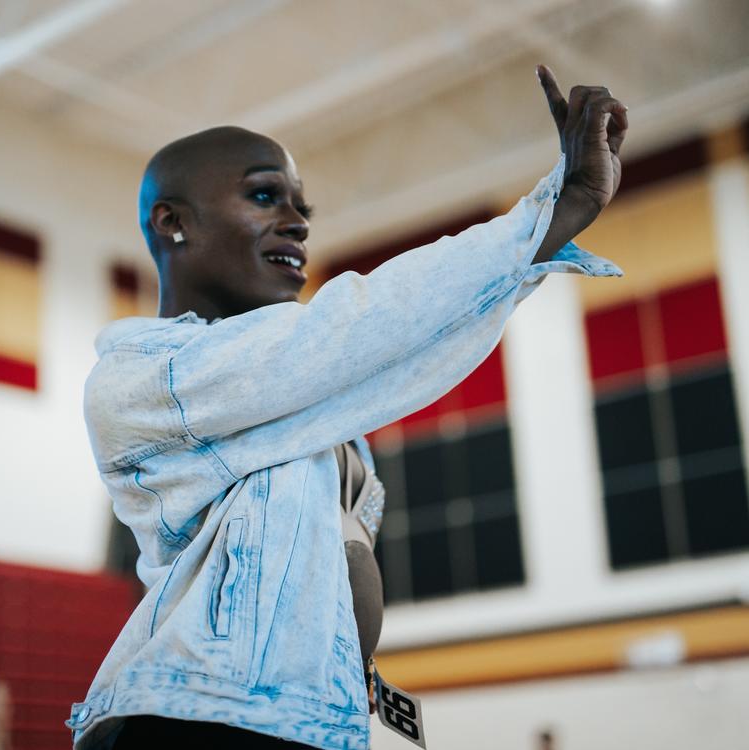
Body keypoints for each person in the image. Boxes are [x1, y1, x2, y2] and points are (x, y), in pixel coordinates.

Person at [68, 65, 627, 750]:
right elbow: (368, 322)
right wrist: (555, 210)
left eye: (303, 207)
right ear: (174, 223)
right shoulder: (146, 380)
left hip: (299, 723)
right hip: (197, 722)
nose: (298, 223)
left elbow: (410, 344)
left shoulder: (304, 404)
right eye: (265, 195)